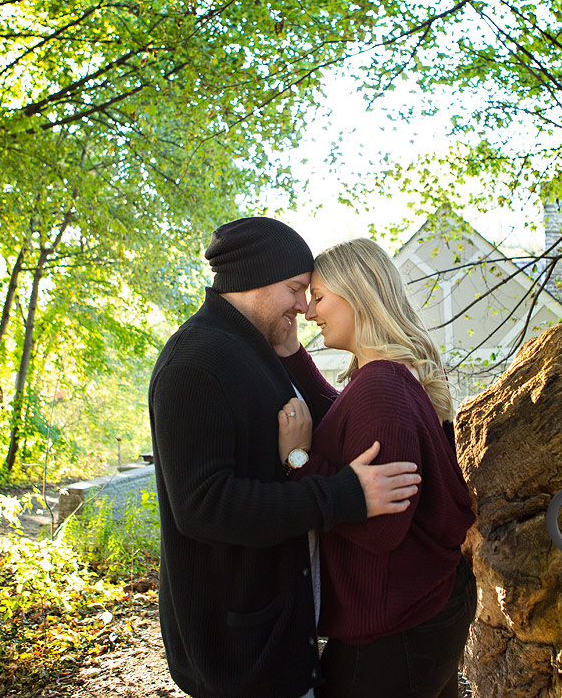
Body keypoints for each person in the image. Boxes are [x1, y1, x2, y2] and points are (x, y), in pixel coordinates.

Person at [148, 217, 423, 698]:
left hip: (278, 629)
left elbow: (331, 424)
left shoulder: (256, 347)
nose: (305, 304)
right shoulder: (194, 363)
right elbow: (203, 506)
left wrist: (294, 355)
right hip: (237, 650)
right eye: (296, 288)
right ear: (255, 279)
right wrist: (341, 497)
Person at [278, 238, 477, 698]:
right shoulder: (388, 373)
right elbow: (343, 416)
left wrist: (299, 461)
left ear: (358, 294)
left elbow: (382, 529)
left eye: (320, 297)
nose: (309, 312)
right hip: (427, 605)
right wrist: (292, 354)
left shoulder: (381, 387)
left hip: (399, 626)